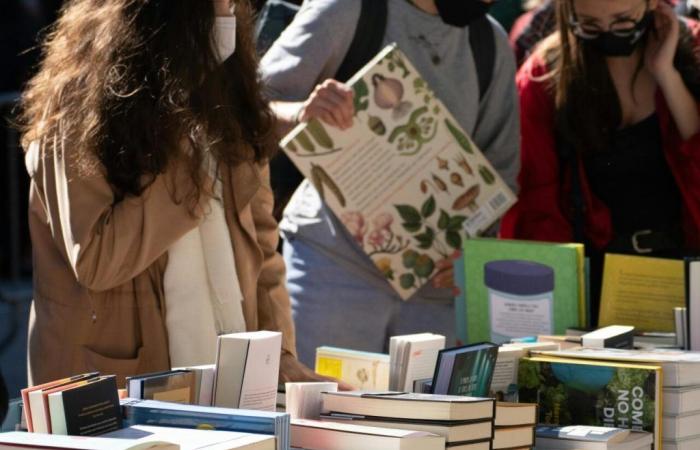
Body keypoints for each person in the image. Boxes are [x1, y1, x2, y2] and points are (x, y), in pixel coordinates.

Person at [19, 0, 323, 386]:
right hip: (110, 393)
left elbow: (261, 248)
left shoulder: (228, 101)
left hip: (225, 386)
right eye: (216, 5)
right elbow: (97, 260)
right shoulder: (77, 110)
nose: (229, 14)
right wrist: (184, 152)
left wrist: (277, 354)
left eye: (233, 4)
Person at [261, 0, 520, 366]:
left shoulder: (490, 41)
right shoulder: (346, 9)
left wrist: (471, 249)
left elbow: (501, 172)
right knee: (320, 417)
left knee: (430, 423)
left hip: (436, 292)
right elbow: (246, 110)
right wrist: (303, 112)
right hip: (332, 273)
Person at [501, 0, 700, 321]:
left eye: (623, 21)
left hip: (689, 275)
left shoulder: (692, 47)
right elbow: (536, 203)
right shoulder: (545, 73)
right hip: (597, 285)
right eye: (590, 25)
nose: (608, 34)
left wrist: (667, 74)